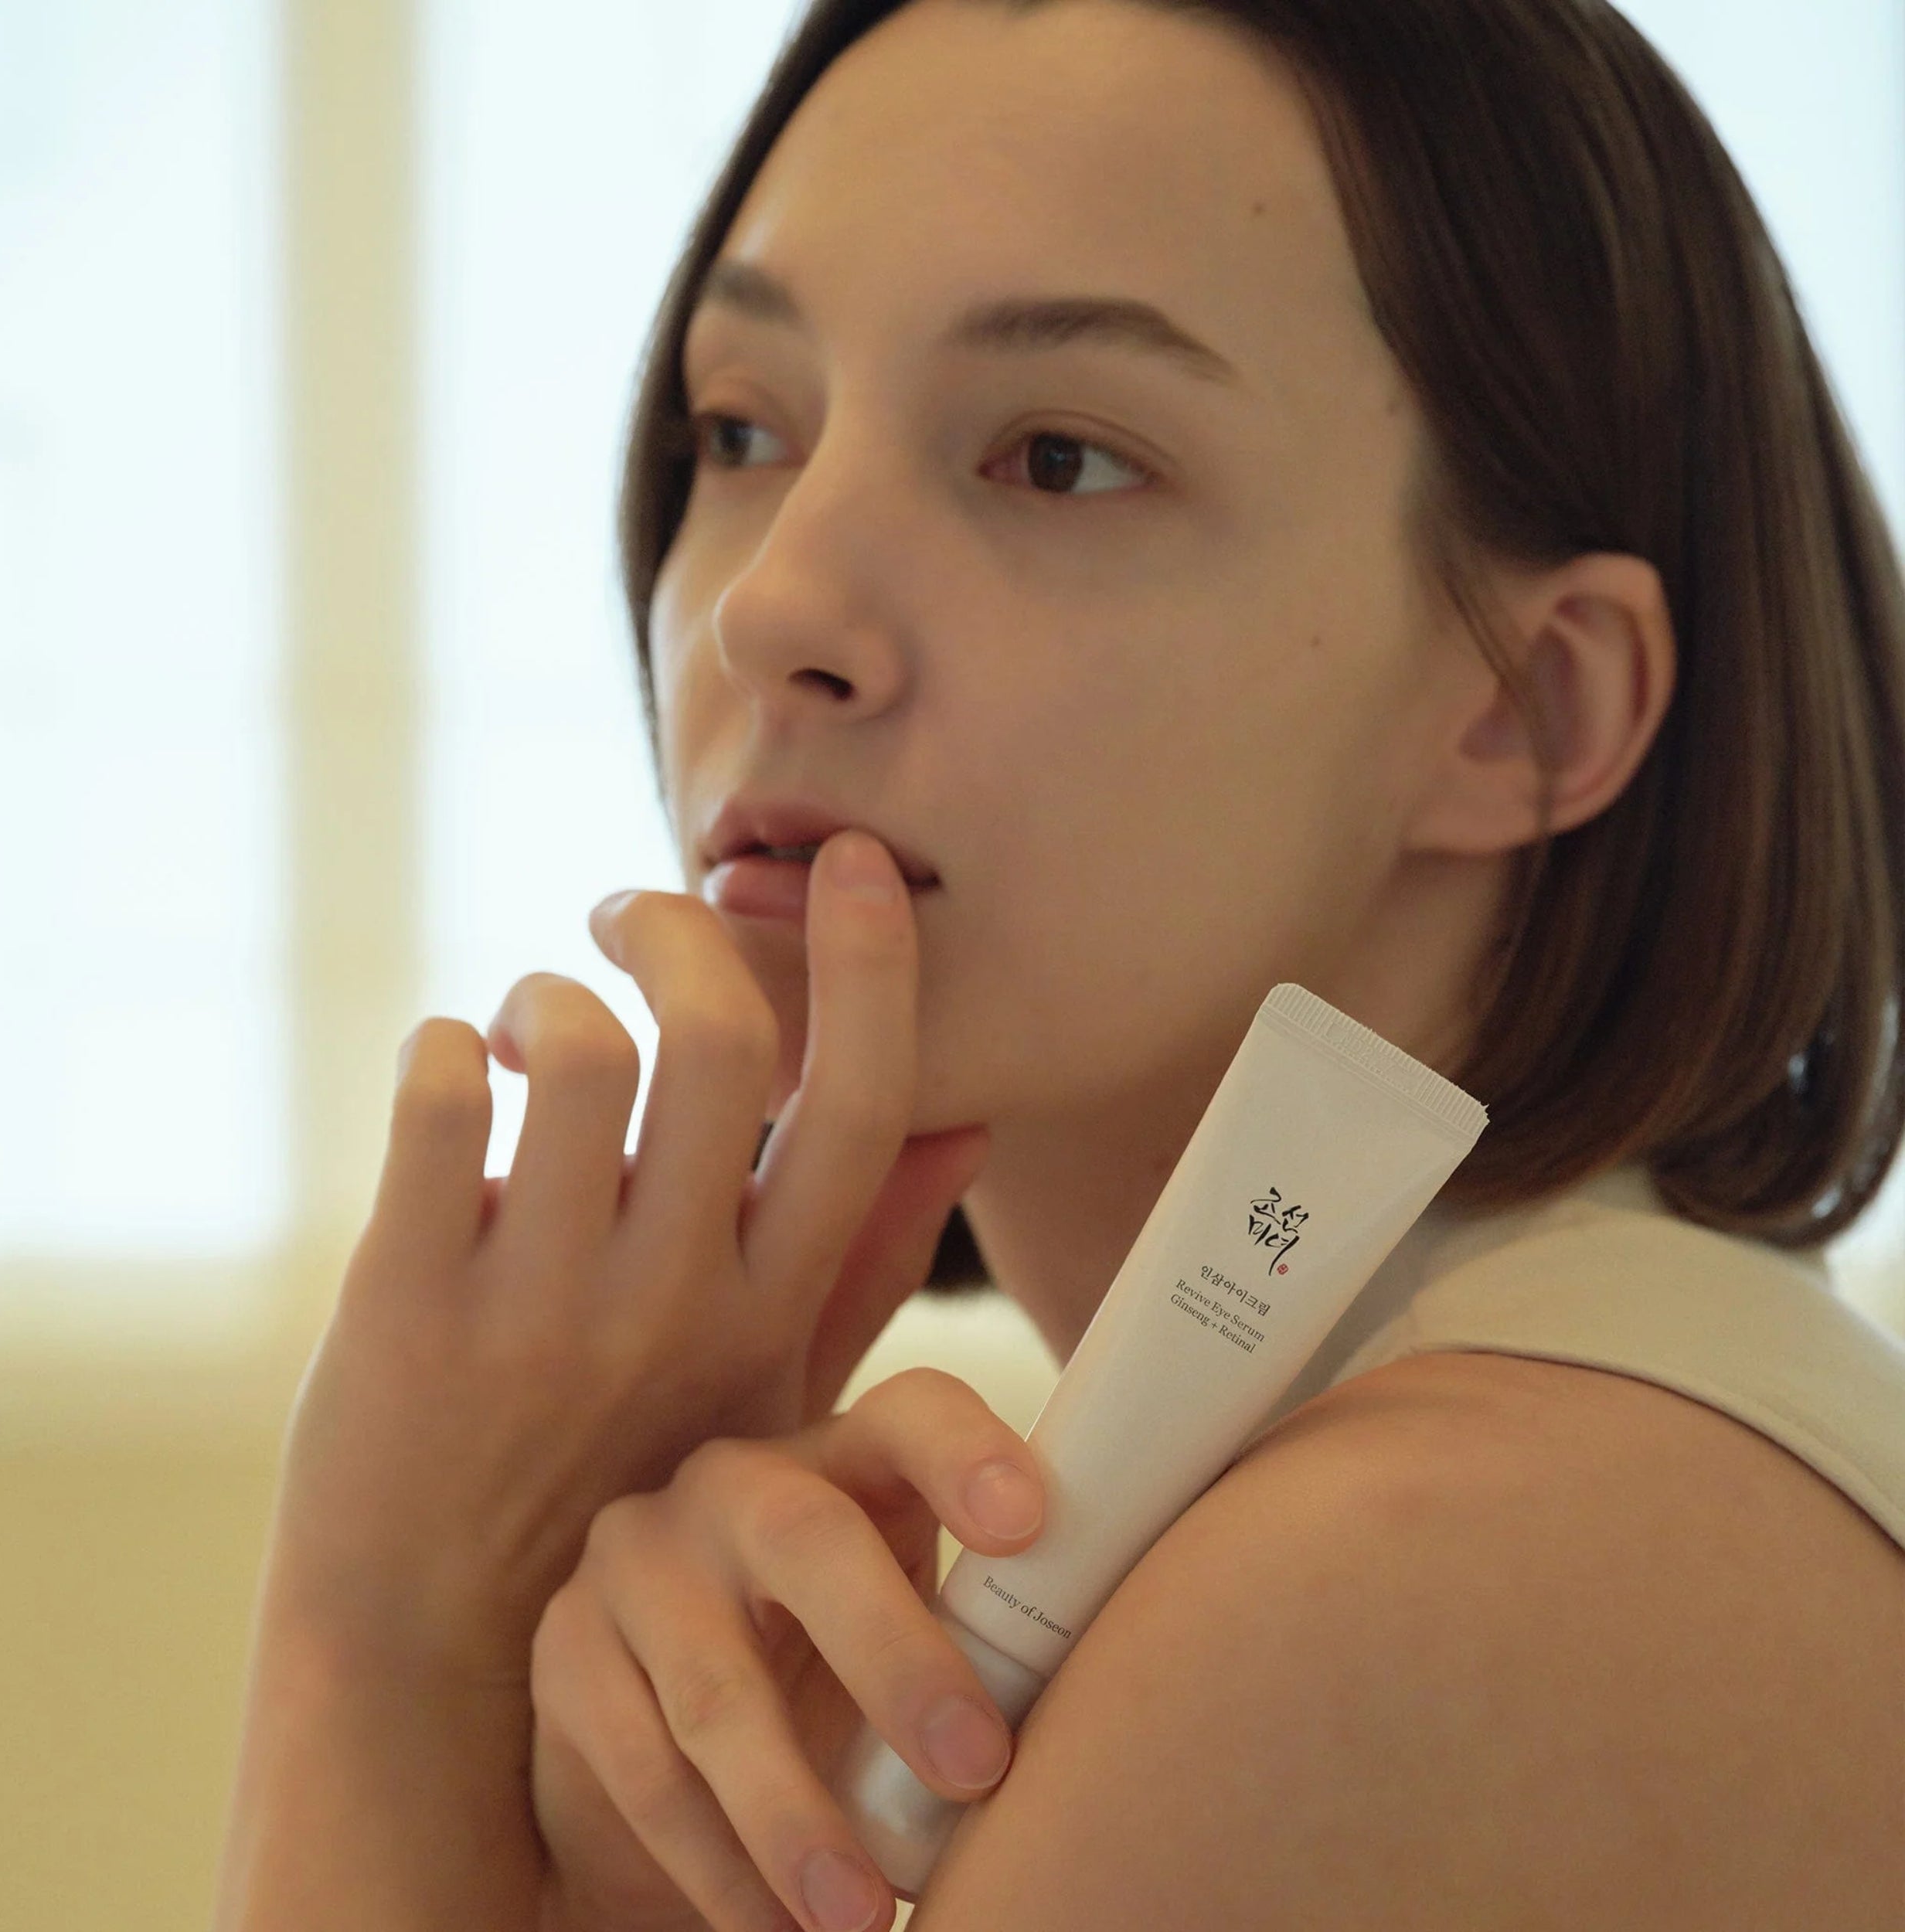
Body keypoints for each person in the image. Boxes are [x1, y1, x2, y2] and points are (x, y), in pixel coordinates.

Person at [212, 1, 1905, 1927]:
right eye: (743, 427)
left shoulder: (1403, 1575)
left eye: (1056, 459)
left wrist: (378, 1651)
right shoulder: (1544, 1460)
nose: (771, 607)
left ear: (1527, 704)